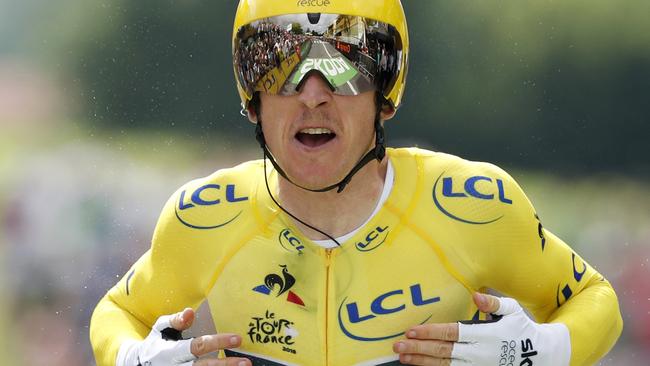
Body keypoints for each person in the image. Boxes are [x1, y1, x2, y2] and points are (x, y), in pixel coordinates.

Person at [89, 1, 623, 365]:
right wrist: (133, 358)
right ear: (252, 95)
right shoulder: (202, 216)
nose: (312, 95)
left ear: (386, 91)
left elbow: (596, 299)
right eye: (280, 64)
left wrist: (538, 351)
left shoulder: (474, 204)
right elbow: (117, 313)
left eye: (346, 67)